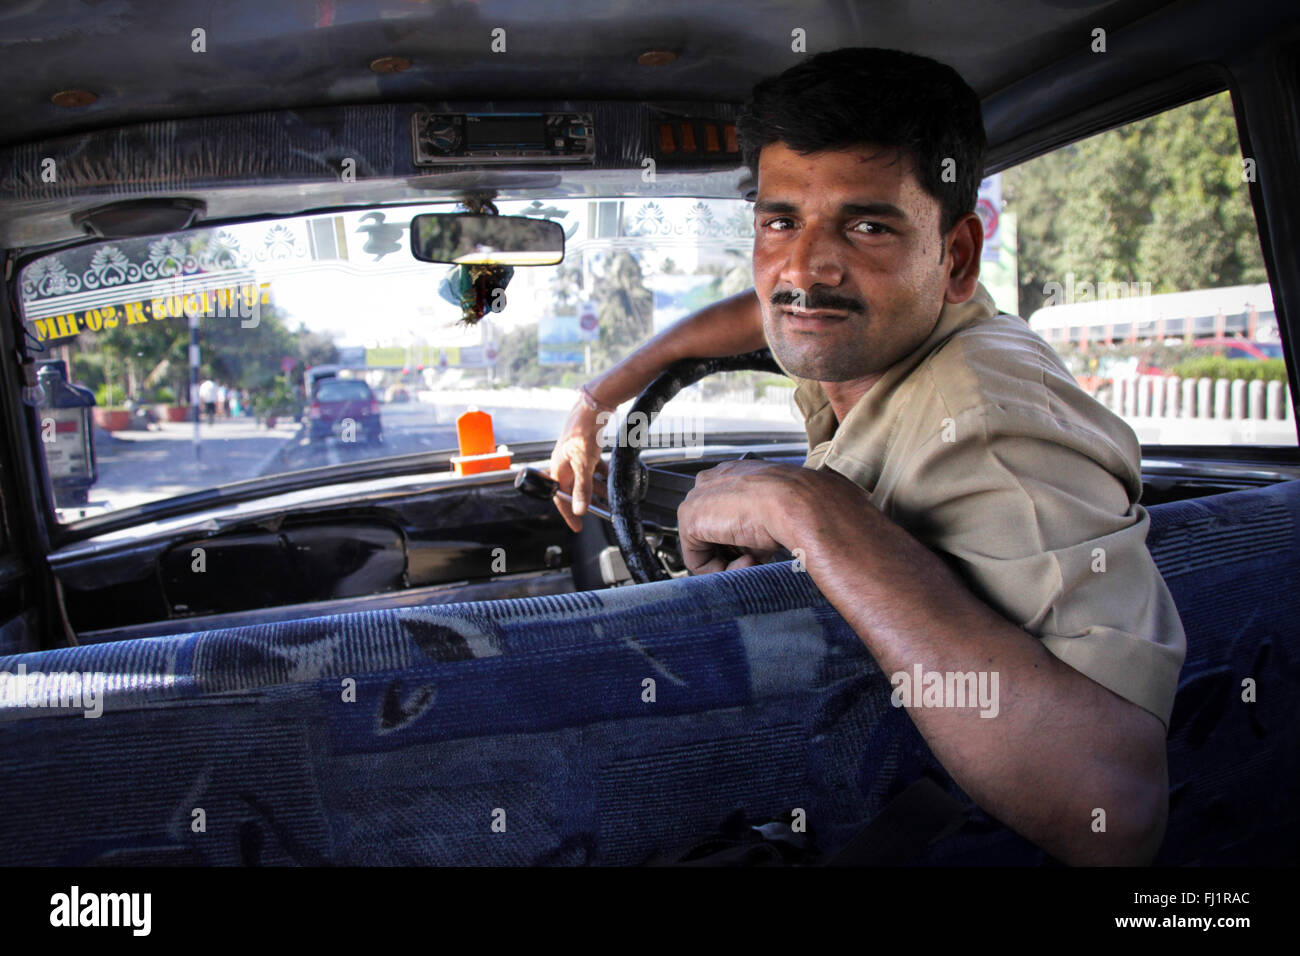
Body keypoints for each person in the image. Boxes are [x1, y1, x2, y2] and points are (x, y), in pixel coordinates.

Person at [547, 47, 1185, 865]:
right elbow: (775, 301)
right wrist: (596, 399)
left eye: (867, 225)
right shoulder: (898, 327)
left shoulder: (987, 432)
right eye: (780, 221)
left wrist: (805, 510)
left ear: (955, 256)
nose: (804, 270)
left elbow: (1116, 810)